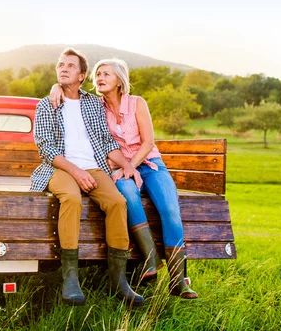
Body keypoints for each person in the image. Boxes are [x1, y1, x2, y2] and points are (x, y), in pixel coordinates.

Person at [50, 58, 198, 299]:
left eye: (106, 74)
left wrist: (132, 167)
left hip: (149, 163)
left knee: (170, 209)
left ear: (119, 80)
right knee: (128, 196)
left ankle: (178, 281)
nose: (100, 78)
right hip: (117, 166)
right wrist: (56, 87)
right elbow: (71, 94)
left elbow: (148, 142)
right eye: (97, 74)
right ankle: (150, 260)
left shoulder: (137, 104)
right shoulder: (95, 106)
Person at [31, 48, 144, 307]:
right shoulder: (46, 104)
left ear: (82, 76)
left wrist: (127, 165)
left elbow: (106, 141)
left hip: (93, 168)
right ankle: (70, 277)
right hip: (59, 169)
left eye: (70, 66)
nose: (63, 68)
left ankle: (119, 281)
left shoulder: (93, 103)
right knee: (71, 197)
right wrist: (76, 172)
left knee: (117, 202)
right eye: (61, 64)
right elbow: (46, 148)